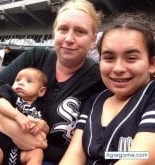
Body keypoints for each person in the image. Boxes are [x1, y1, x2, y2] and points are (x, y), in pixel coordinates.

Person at [0, 0, 105, 164]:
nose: (69, 38)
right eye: (63, 29)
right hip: (3, 146)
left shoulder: (98, 78)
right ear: (54, 32)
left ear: (93, 40)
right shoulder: (36, 56)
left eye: (80, 32)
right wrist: (15, 132)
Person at [59, 12, 155, 165]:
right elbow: (74, 156)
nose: (118, 68)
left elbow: (142, 157)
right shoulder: (94, 101)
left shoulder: (150, 96)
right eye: (109, 58)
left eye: (131, 58)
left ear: (151, 64)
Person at [0, 67, 49, 165]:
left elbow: (46, 130)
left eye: (29, 81)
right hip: (0, 147)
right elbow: (0, 104)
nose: (20, 83)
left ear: (41, 91)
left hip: (23, 151)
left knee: (37, 153)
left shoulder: (42, 106)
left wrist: (43, 125)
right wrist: (18, 116)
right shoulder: (11, 94)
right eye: (17, 80)